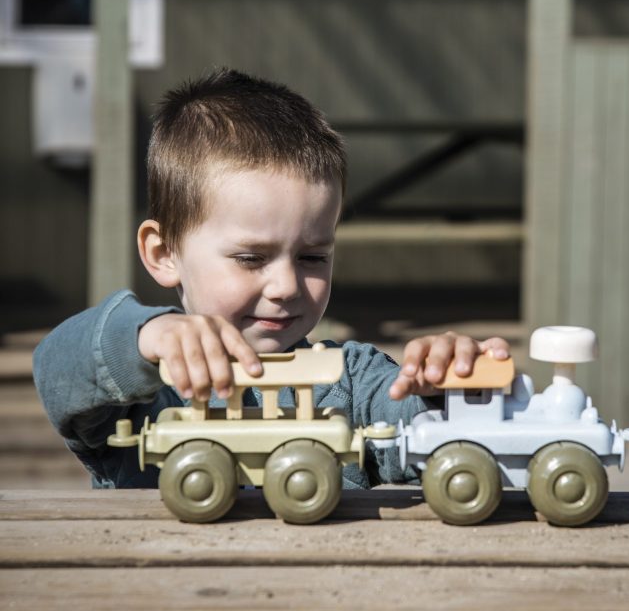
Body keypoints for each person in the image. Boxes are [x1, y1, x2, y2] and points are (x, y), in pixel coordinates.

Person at [33, 68, 510, 491]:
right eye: (250, 257)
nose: (285, 286)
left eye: (312, 256)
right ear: (164, 254)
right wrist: (146, 335)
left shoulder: (351, 379)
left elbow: (414, 433)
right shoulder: (149, 387)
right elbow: (59, 369)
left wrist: (445, 388)